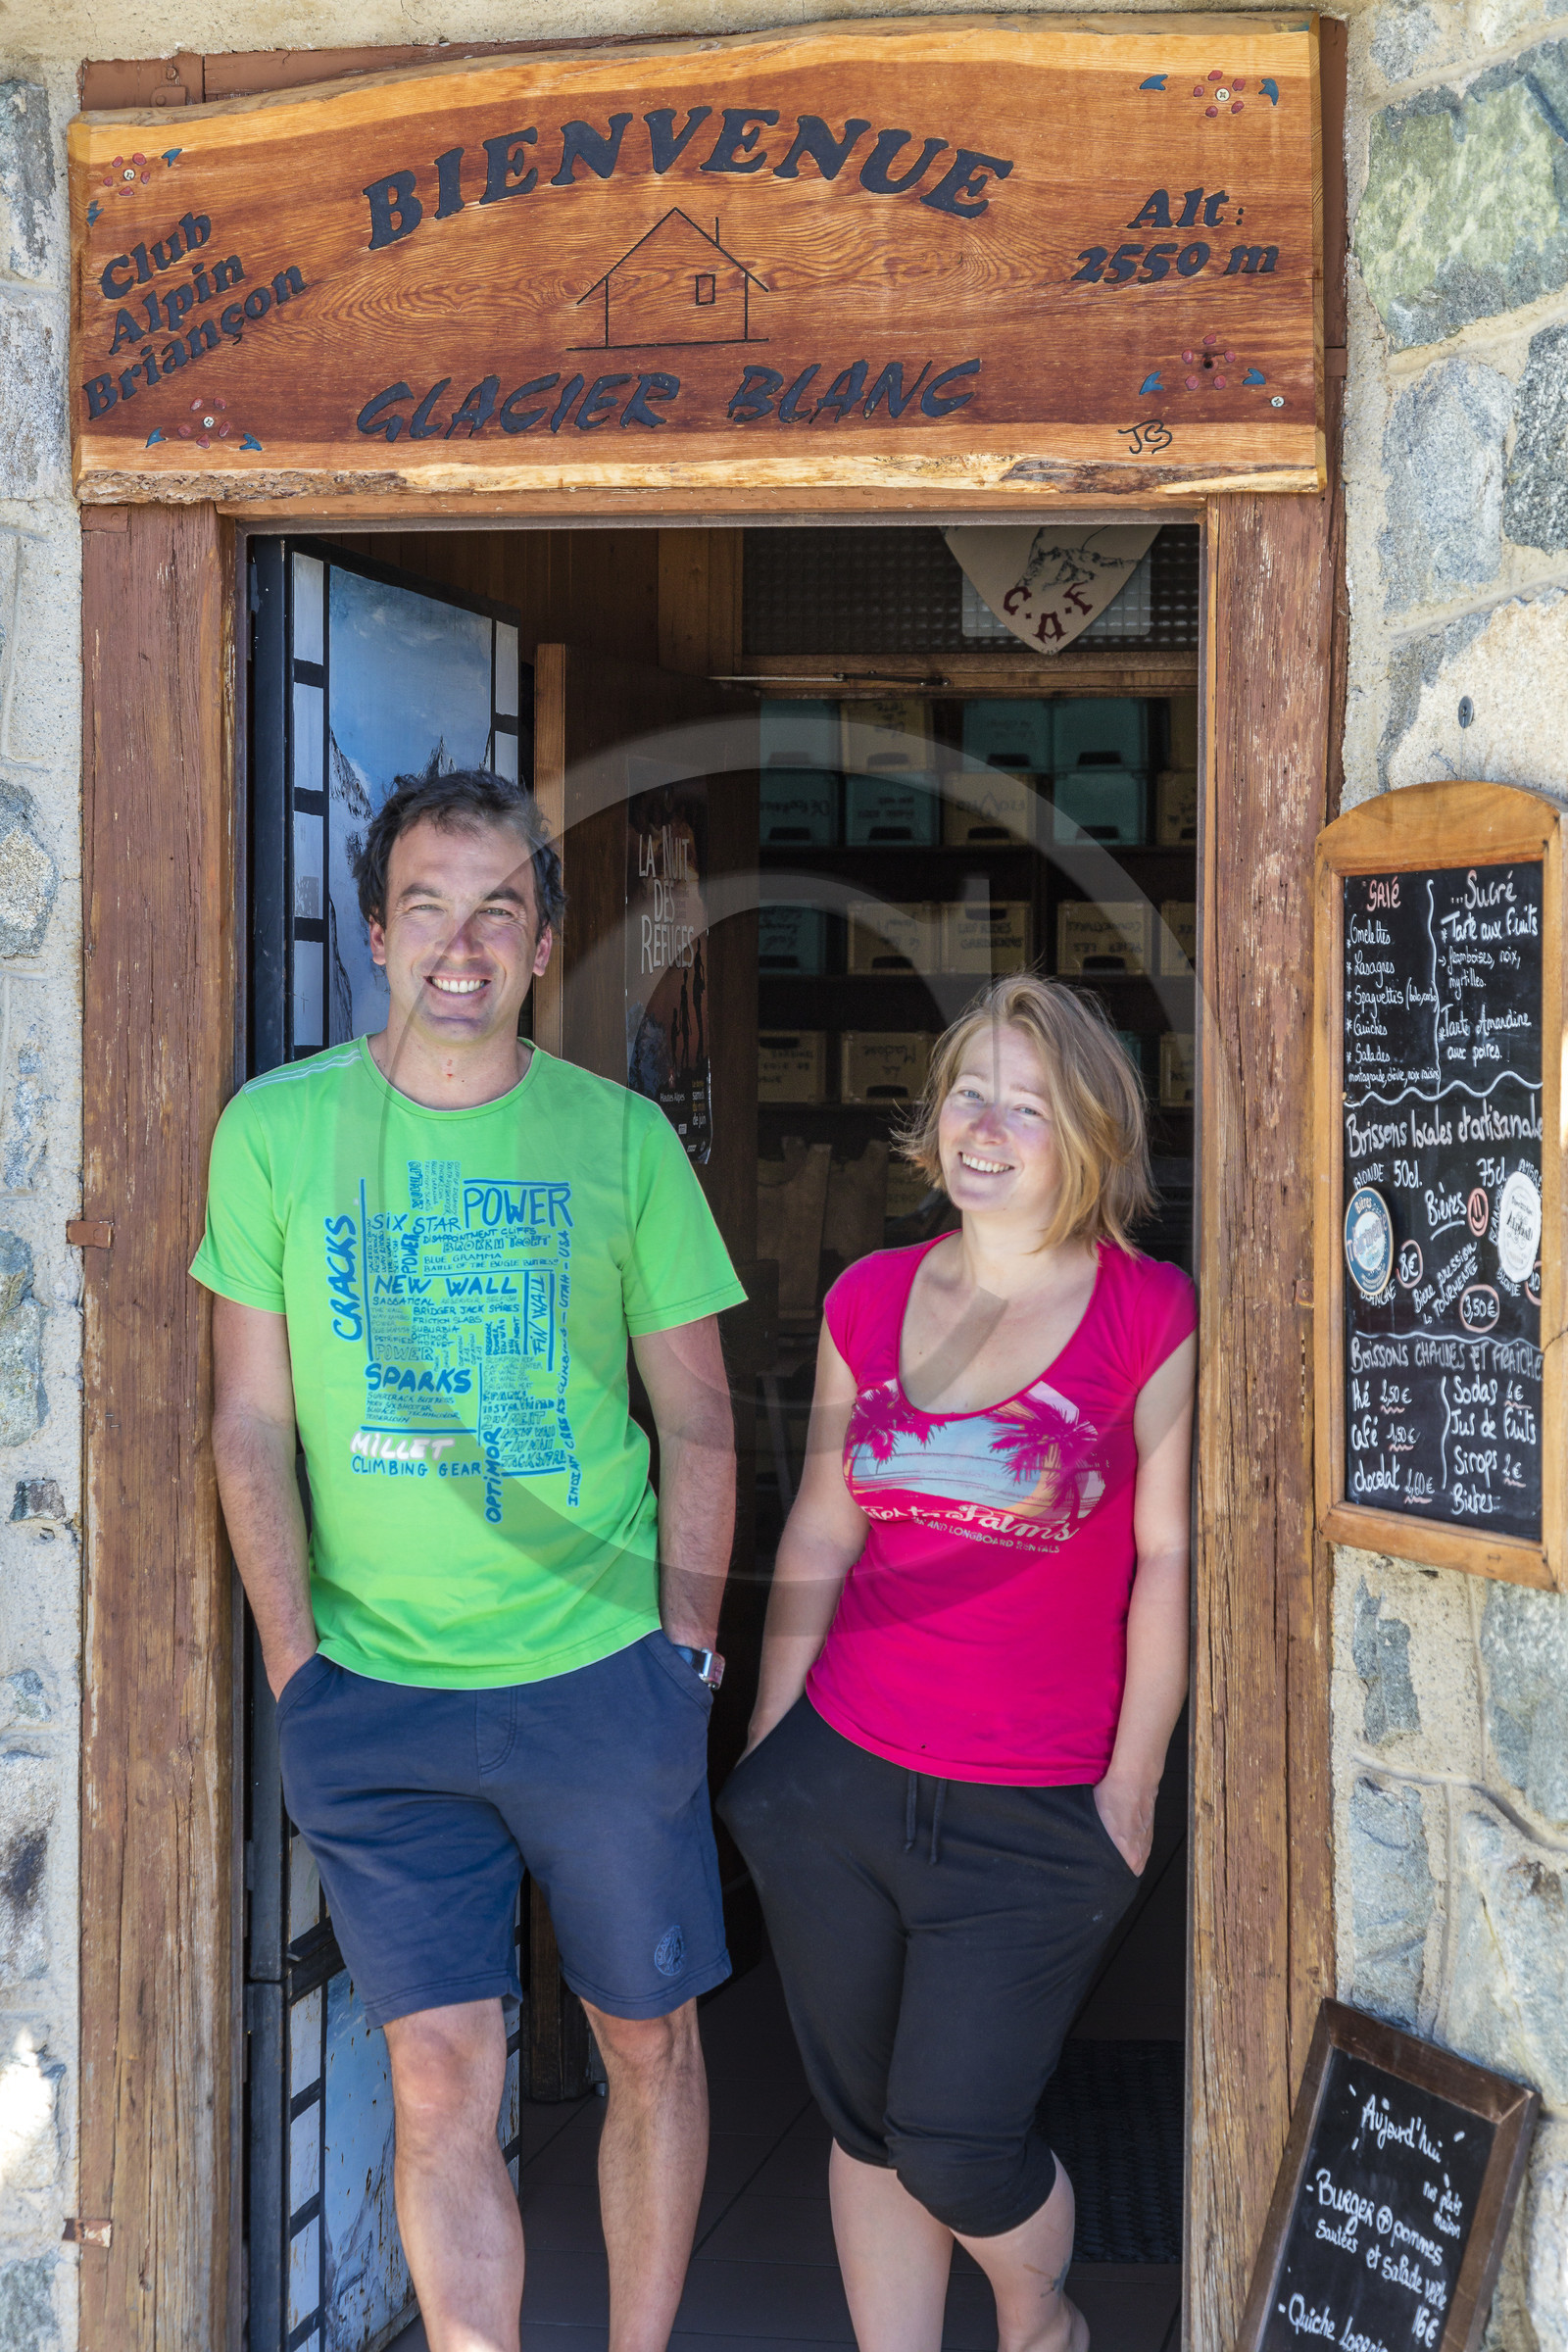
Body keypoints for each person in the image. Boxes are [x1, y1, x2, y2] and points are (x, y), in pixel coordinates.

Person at [191, 761, 746, 2352]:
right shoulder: (277, 1136)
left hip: (598, 1681)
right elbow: (249, 1423)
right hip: (376, 1697)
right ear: (375, 933)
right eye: (426, 906)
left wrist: (685, 1654)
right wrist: (301, 1667)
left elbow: (699, 1418)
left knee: (649, 2049)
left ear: (542, 939)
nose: (460, 941)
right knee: (438, 2071)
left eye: (496, 907)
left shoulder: (622, 1139)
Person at [720, 974, 1196, 2352]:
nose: (987, 1127)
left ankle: (1042, 2319)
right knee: (866, 2130)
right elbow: (822, 1519)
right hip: (844, 1783)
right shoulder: (870, 1297)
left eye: (1028, 1107)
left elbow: (1165, 1562)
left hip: (1038, 1803)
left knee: (956, 2141)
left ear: (1091, 1135)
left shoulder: (1146, 1313)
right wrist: (769, 1741)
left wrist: (1133, 1785)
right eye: (970, 1094)